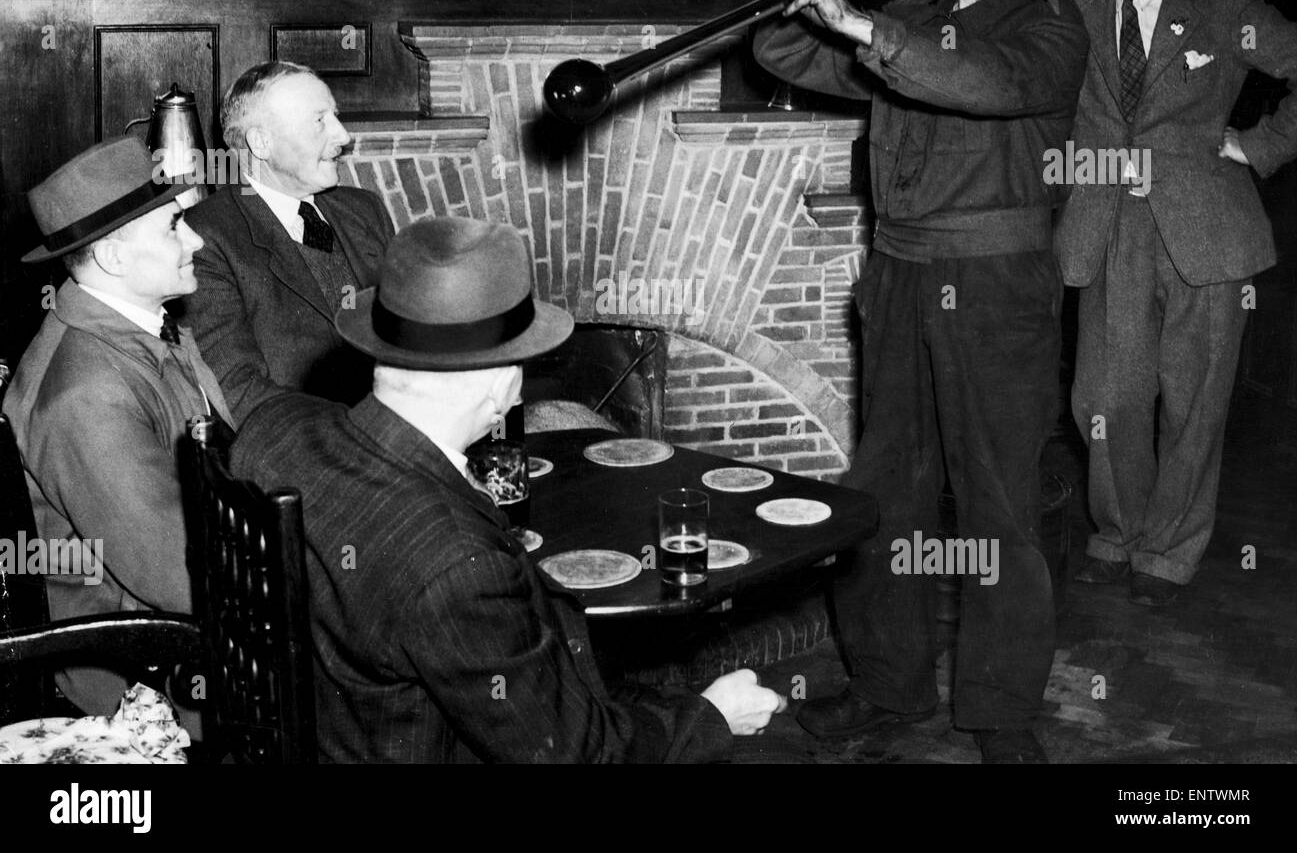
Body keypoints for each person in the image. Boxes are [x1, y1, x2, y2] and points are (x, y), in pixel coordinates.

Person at [751, 0, 1088, 763]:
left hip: (995, 285)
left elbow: (985, 83)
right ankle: (887, 687)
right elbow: (782, 52)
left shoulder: (1051, 20)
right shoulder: (910, 11)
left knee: (998, 507)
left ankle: (1000, 710)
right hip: (898, 275)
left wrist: (866, 23)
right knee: (882, 492)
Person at [229, 216, 785, 762]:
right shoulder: (458, 567)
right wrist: (713, 716)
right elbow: (579, 754)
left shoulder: (275, 427)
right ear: (503, 385)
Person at [1052, 0, 1297, 607]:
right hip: (1105, 224)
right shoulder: (1069, 0)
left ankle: (1168, 552)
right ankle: (1118, 531)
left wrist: (1261, 146)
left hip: (1206, 232)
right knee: (1105, 396)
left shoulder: (1226, 3)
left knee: (1195, 401)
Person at [3, 136, 233, 721]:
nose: (198, 240)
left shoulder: (140, 324)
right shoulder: (88, 391)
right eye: (175, 226)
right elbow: (179, 576)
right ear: (112, 257)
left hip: (191, 611)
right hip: (144, 675)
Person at [178, 61, 394, 422]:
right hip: (303, 456)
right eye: (320, 121)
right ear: (261, 143)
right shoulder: (207, 238)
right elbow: (238, 391)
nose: (343, 136)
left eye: (335, 117)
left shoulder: (365, 210)